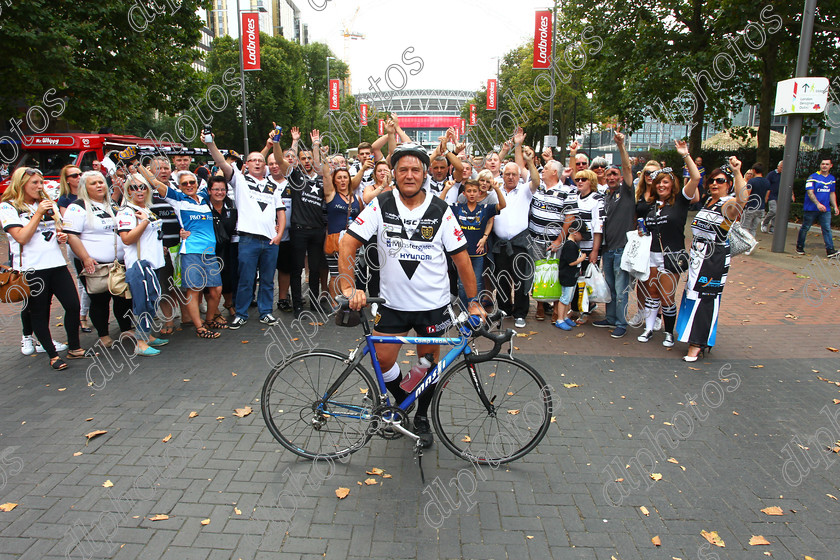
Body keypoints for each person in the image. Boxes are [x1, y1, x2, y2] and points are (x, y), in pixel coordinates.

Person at [338, 143, 484, 449]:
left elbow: (462, 260)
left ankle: (420, 418)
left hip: (433, 306)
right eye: (402, 169)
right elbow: (347, 243)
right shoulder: (380, 204)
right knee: (382, 359)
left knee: (428, 367)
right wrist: (349, 287)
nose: (409, 175)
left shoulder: (441, 210)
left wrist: (473, 301)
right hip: (392, 304)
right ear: (393, 173)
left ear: (425, 173)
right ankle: (404, 400)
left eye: (415, 169)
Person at [0, 168, 85, 369]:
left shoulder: (46, 204)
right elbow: (21, 237)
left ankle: (74, 347)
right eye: (35, 183)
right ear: (21, 184)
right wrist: (37, 214)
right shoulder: (8, 207)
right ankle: (52, 355)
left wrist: (60, 236)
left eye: (41, 182)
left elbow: (55, 229)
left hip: (56, 263)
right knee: (39, 311)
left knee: (73, 305)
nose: (40, 187)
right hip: (32, 268)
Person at [206, 130, 285, 329]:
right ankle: (241, 313)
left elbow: (281, 211)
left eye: (261, 160)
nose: (257, 163)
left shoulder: (273, 185)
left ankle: (266, 312)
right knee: (246, 280)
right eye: (253, 160)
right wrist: (211, 143)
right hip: (248, 240)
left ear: (265, 164)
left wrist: (279, 235)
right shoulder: (239, 180)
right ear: (246, 164)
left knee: (267, 280)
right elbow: (222, 162)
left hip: (270, 241)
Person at [138, 166, 223, 339]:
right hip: (191, 251)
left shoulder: (205, 198)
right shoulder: (177, 199)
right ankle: (200, 328)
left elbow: (222, 176)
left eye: (192, 182)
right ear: (180, 186)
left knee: (216, 289)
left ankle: (209, 320)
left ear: (197, 183)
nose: (189, 185)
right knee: (194, 289)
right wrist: (136, 163)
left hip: (210, 251)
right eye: (185, 184)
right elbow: (154, 182)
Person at [676, 157, 748, 361]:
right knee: (692, 296)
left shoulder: (730, 204)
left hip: (714, 259)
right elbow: (694, 181)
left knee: (705, 299)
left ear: (729, 184)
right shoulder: (709, 201)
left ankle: (697, 343)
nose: (715, 183)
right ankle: (694, 336)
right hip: (698, 257)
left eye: (721, 180)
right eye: (712, 181)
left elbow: (743, 199)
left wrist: (737, 171)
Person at [637, 141, 701, 347]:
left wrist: (685, 155)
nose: (661, 186)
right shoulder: (652, 206)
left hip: (672, 256)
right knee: (651, 293)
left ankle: (668, 333)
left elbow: (696, 177)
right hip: (652, 254)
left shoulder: (680, 202)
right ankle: (648, 329)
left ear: (672, 184)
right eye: (658, 183)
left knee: (666, 296)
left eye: (665, 183)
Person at [63, 171, 134, 350]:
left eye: (101, 182)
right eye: (93, 183)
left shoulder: (112, 205)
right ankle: (103, 334)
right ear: (84, 187)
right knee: (100, 300)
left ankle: (126, 328)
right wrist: (85, 258)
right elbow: (71, 236)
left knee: (122, 298)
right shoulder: (77, 207)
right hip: (95, 264)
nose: (99, 186)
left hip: (118, 263)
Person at [273, 129, 327, 318]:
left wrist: (316, 145)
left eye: (309, 158)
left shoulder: (322, 179)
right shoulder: (295, 176)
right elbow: (280, 161)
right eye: (303, 158)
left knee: (314, 271)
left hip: (317, 231)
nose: (307, 161)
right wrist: (277, 141)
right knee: (296, 270)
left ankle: (314, 303)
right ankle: (297, 305)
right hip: (298, 231)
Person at [491, 128, 541, 328]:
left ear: (519, 175)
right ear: (503, 174)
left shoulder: (525, 190)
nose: (511, 177)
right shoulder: (496, 189)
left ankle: (520, 313)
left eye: (514, 174)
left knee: (521, 280)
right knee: (501, 279)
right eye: (507, 174)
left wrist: (529, 161)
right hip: (500, 244)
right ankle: (504, 309)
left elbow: (536, 181)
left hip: (520, 242)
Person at [116, 174, 168, 356]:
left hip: (153, 263)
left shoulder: (146, 208)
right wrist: (145, 221)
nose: (139, 191)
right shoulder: (127, 212)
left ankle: (146, 335)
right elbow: (127, 238)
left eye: (143, 187)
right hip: (140, 265)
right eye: (133, 187)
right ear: (127, 190)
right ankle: (140, 342)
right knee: (143, 303)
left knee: (152, 300)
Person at [591, 129, 635, 338]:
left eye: (614, 174)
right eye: (608, 174)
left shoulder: (626, 191)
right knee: (610, 288)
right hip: (608, 250)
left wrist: (620, 145)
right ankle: (610, 318)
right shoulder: (605, 197)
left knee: (621, 290)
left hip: (622, 249)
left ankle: (621, 323)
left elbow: (627, 166)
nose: (611, 177)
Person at [443, 178, 506, 309]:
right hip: (461, 253)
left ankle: (475, 309)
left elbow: (502, 205)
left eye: (474, 191)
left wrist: (497, 189)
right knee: (462, 283)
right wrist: (447, 189)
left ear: (479, 193)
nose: (472, 194)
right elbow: (439, 204)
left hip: (478, 252)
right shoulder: (457, 208)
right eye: (469, 191)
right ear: (464, 194)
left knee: (477, 282)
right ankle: (464, 310)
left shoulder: (485, 208)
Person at [57, 164, 92, 333]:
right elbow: (68, 224)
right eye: (73, 175)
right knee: (83, 280)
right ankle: (82, 316)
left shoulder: (90, 195)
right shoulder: (65, 199)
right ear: (67, 179)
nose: (78, 177)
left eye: (80, 174)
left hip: (94, 243)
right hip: (76, 243)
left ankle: (92, 315)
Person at [322, 161, 363, 299]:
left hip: (352, 241)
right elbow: (325, 176)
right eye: (339, 178)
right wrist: (321, 153)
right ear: (334, 180)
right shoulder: (331, 195)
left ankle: (349, 301)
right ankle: (334, 303)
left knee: (351, 273)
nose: (343, 180)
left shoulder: (356, 198)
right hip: (335, 241)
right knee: (335, 274)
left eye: (345, 177)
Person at [208, 176, 238, 320]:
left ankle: (228, 303)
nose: (219, 192)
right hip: (209, 249)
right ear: (209, 191)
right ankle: (213, 311)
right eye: (216, 189)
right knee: (211, 280)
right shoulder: (203, 207)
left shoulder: (231, 205)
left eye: (222, 189)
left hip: (229, 246)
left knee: (229, 276)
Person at [796, 158, 838, 257]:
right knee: (805, 227)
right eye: (823, 164)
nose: (824, 166)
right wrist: (818, 204)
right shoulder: (812, 177)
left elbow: (832, 193)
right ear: (820, 165)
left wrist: (835, 206)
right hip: (811, 209)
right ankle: (800, 247)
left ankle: (830, 250)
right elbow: (810, 193)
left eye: (827, 164)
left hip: (825, 209)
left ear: (830, 166)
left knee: (827, 229)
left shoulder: (832, 179)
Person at [554, 225, 588, 330]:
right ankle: (559, 319)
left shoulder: (573, 245)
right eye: (582, 235)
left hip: (572, 276)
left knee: (569, 298)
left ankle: (564, 316)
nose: (582, 238)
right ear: (575, 233)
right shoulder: (570, 245)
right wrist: (582, 259)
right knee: (565, 298)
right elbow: (571, 262)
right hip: (567, 275)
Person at [741, 162, 770, 243]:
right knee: (753, 229)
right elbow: (767, 196)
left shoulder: (751, 181)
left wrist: (742, 206)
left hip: (751, 207)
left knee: (744, 227)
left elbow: (747, 195)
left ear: (754, 170)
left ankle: (743, 245)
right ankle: (751, 245)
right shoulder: (767, 182)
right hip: (761, 208)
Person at [762, 160, 786, 233]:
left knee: (777, 213)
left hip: (780, 196)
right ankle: (764, 223)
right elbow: (766, 185)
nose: (782, 169)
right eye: (781, 167)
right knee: (773, 210)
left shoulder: (785, 175)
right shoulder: (771, 174)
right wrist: (766, 196)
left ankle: (772, 227)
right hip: (772, 195)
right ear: (778, 167)